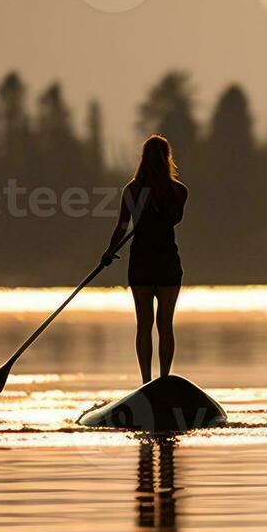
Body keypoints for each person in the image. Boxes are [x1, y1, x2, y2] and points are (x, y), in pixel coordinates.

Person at [103, 135, 188, 384]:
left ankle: (147, 382)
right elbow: (174, 218)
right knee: (165, 324)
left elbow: (121, 227)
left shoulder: (132, 190)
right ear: (168, 159)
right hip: (166, 263)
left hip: (142, 263)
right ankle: (162, 380)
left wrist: (109, 252)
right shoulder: (179, 191)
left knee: (144, 325)